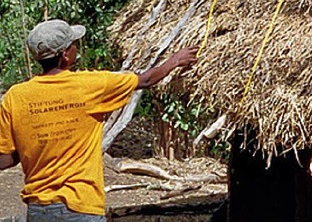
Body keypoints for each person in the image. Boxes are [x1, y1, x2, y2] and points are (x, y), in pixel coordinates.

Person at [0, 19, 198, 221]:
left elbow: (7, 159)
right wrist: (175, 60)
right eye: (73, 44)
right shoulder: (91, 85)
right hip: (81, 207)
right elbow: (145, 80)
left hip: (38, 210)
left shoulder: (15, 97)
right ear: (65, 55)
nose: (76, 47)